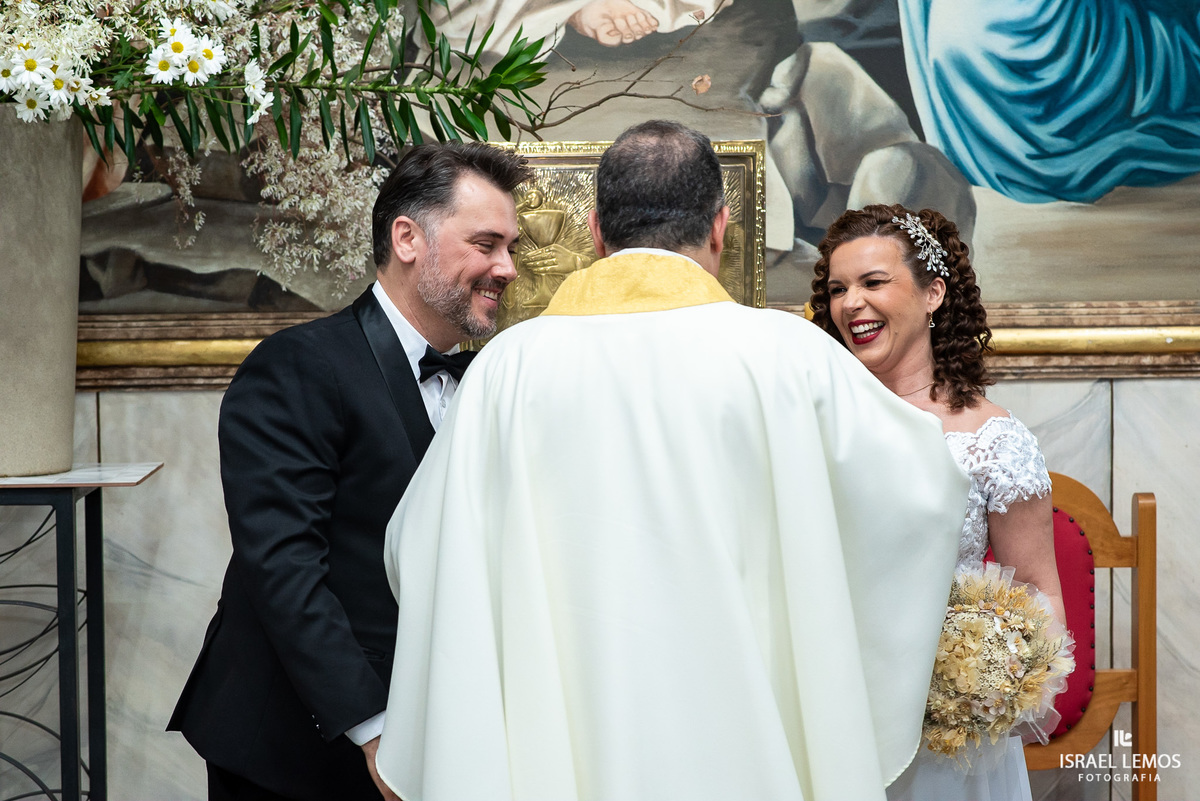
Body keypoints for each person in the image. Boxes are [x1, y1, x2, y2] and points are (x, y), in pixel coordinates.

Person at [373, 120, 971, 801]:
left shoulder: (507, 370)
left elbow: (416, 545)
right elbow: (922, 495)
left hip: (561, 757)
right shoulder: (789, 356)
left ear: (597, 233)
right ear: (720, 228)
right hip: (747, 753)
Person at [167, 142, 532, 801]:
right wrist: (377, 729)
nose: (506, 267)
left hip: (437, 734)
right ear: (407, 237)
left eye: (511, 246)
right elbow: (284, 568)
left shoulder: (493, 379)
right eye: (486, 243)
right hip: (296, 751)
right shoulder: (295, 366)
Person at [809, 203, 1069, 801]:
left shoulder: (992, 440)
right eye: (838, 289)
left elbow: (1036, 587)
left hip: (944, 736)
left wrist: (993, 684)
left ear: (933, 293)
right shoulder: (813, 426)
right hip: (830, 709)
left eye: (874, 283)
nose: (851, 304)